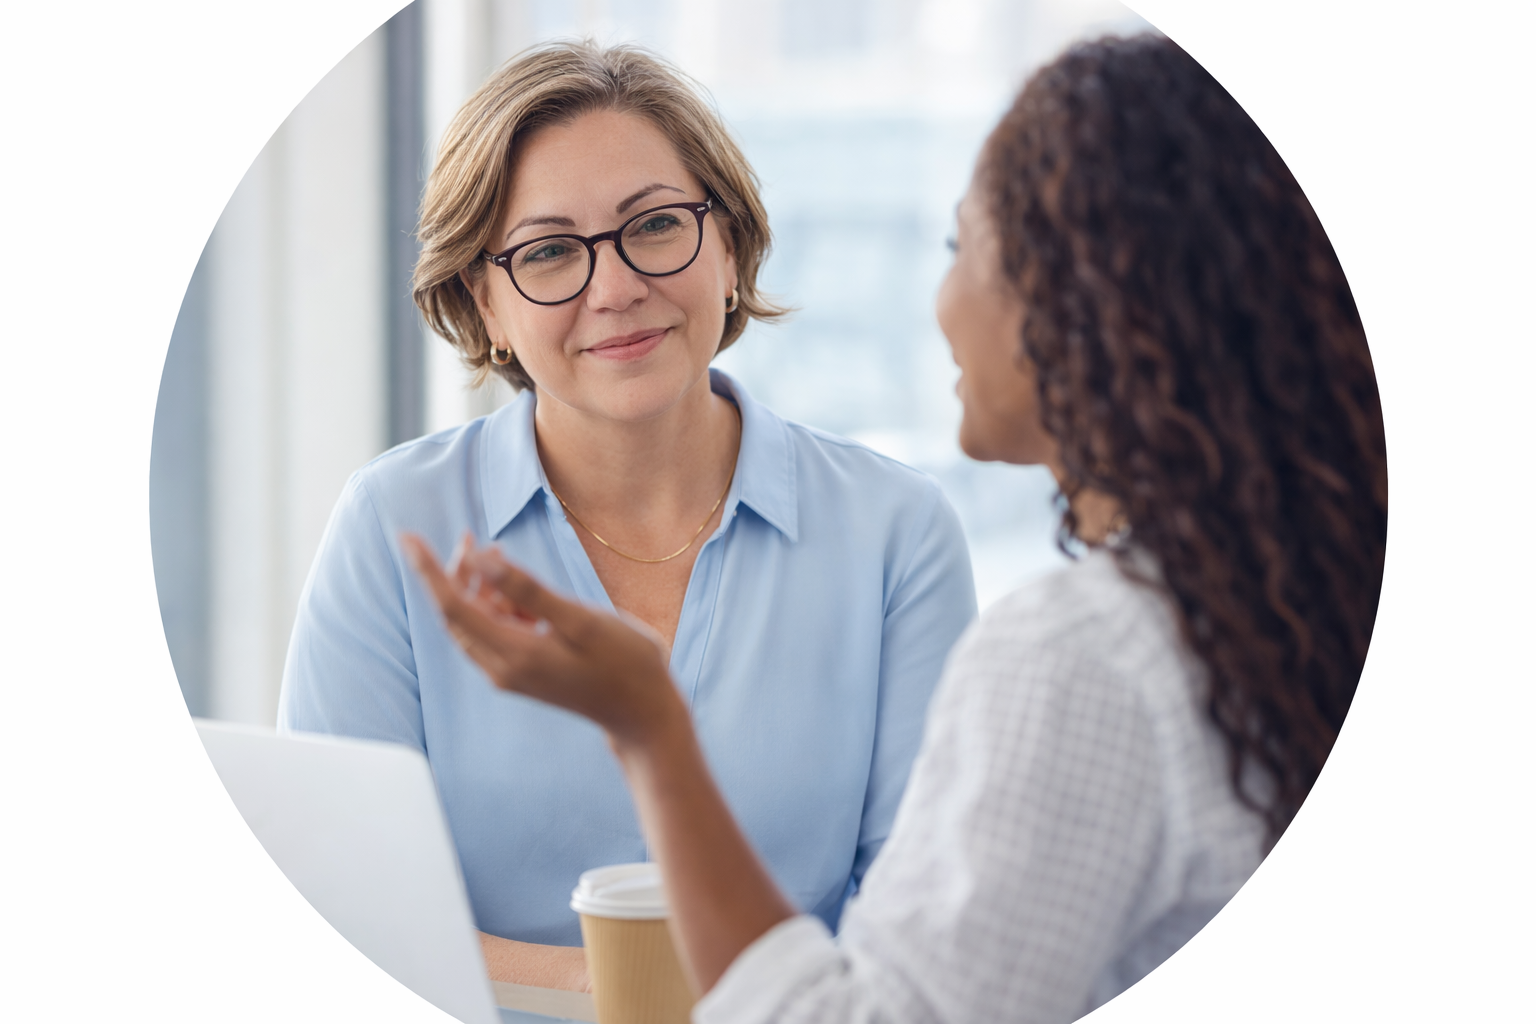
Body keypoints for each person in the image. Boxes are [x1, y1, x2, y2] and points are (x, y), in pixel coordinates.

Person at [404, 33, 1388, 1023]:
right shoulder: (1271, 602)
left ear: (1091, 303)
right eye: (548, 252)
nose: (941, 301)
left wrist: (653, 734)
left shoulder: (1071, 653)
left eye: (966, 249)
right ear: (481, 301)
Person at [277, 42, 977, 991]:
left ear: (727, 248)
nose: (614, 288)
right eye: (550, 251)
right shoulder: (392, 525)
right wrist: (634, 991)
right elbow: (341, 916)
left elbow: (923, 929)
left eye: (653, 227)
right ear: (484, 304)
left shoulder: (897, 532)